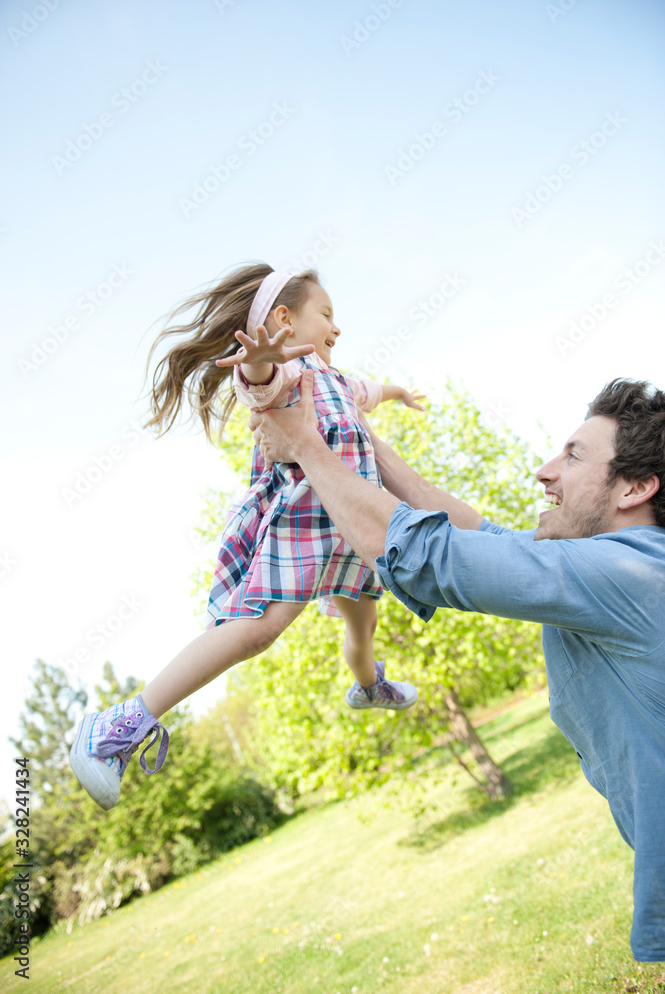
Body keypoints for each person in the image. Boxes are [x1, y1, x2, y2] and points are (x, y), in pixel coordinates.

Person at [251, 372, 665, 964]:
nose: (545, 470)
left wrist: (306, 449)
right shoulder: (621, 570)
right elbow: (481, 537)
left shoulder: (627, 575)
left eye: (573, 456)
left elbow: (428, 556)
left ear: (635, 489)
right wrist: (360, 439)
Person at [70, 263, 424, 813]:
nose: (337, 327)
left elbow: (370, 390)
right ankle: (116, 727)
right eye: (326, 314)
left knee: (364, 622)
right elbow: (258, 378)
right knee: (259, 632)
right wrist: (262, 356)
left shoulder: (338, 380)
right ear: (284, 319)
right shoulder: (284, 374)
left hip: (354, 526)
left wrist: (399, 392)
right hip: (305, 522)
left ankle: (369, 686)